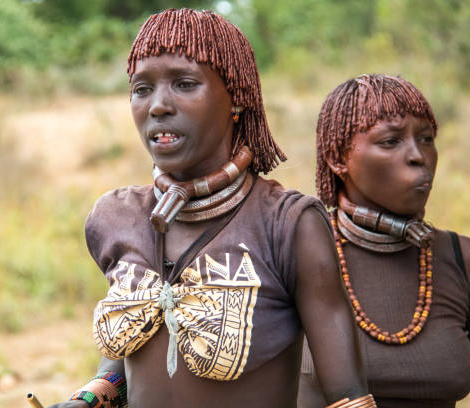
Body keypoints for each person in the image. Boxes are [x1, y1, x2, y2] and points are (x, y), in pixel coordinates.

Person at [48, 9, 376, 408]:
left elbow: (348, 395)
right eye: (141, 89)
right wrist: (90, 397)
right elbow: (135, 345)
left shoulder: (288, 225)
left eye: (185, 84)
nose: (158, 106)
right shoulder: (116, 217)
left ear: (237, 100)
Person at [298, 74, 470, 408]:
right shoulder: (296, 254)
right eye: (391, 141)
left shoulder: (469, 264)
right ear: (337, 159)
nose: (418, 156)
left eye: (427, 139)